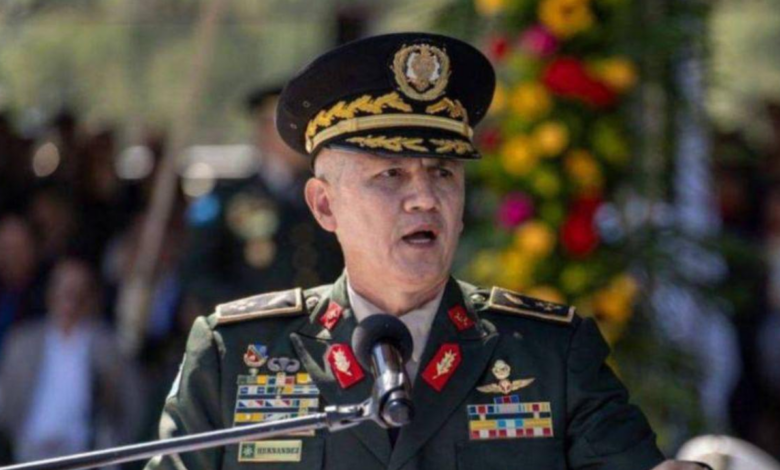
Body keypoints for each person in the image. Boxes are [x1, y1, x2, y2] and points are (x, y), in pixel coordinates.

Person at [146, 32, 710, 470]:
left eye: (442, 172)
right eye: (390, 174)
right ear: (324, 206)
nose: (424, 198)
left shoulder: (550, 355)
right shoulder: (233, 356)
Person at [179, 86, 343, 311]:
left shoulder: (331, 193)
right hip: (258, 325)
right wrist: (246, 314)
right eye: (291, 129)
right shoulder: (228, 197)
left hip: (325, 321)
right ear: (264, 132)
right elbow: (199, 274)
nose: (303, 138)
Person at [0, 258, 144, 463]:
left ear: (92, 297)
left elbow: (132, 406)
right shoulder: (22, 342)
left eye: (79, 291)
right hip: (27, 454)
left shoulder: (109, 347)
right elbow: (5, 406)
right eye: (64, 289)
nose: (71, 298)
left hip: (84, 457)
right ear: (50, 293)